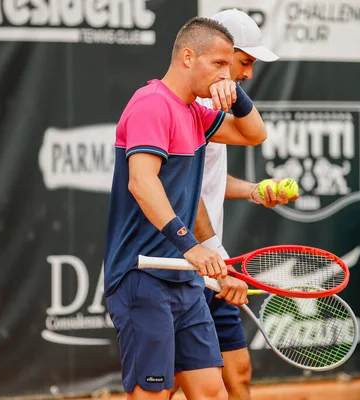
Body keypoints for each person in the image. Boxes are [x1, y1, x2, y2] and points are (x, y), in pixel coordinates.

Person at [103, 16, 267, 400]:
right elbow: (142, 183)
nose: (226, 75)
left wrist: (237, 95)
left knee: (212, 391)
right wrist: (191, 246)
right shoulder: (151, 105)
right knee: (154, 395)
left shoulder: (195, 113)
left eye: (230, 65)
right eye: (219, 65)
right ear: (188, 57)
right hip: (142, 276)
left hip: (185, 282)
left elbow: (254, 133)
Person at [169, 9, 298, 400]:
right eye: (244, 63)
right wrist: (216, 257)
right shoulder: (186, 109)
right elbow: (182, 195)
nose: (247, 75)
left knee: (236, 375)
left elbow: (208, 181)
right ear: (220, 56)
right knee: (181, 384)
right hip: (189, 260)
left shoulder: (213, 111)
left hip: (212, 260)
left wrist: (254, 190)